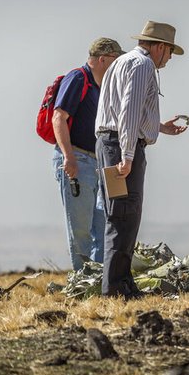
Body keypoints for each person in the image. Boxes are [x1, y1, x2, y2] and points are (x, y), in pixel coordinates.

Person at [95, 21, 188, 299]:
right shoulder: (143, 65)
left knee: (120, 216)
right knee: (124, 215)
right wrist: (127, 156)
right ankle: (115, 288)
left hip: (109, 143)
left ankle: (121, 283)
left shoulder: (121, 62)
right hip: (120, 146)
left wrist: (158, 126)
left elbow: (123, 109)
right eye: (170, 52)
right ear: (160, 47)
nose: (169, 59)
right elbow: (128, 111)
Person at [52, 37, 123, 272]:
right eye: (115, 59)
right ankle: (83, 280)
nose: (118, 65)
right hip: (78, 160)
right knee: (80, 228)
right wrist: (68, 157)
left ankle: (99, 279)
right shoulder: (77, 79)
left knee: (103, 224)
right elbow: (58, 118)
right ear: (102, 59)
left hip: (97, 162)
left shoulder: (101, 86)